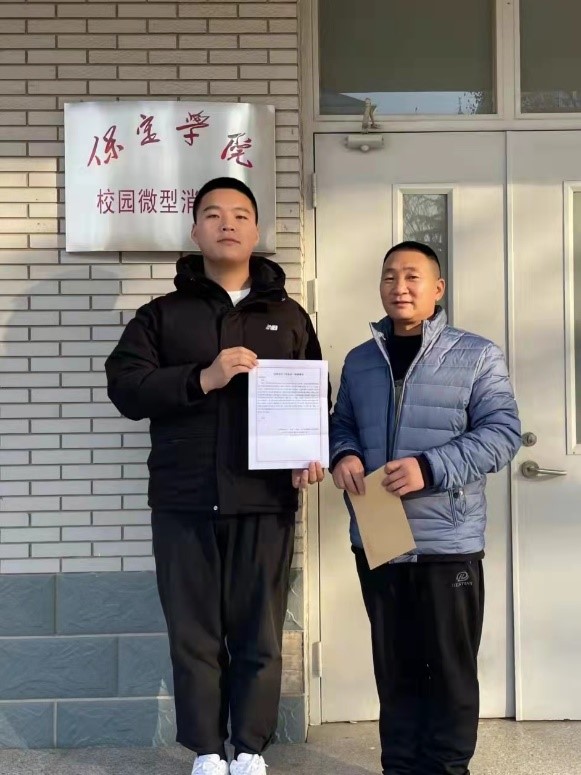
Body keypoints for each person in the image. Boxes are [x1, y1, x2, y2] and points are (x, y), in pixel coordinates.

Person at [106, 177, 324, 775]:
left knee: (260, 631)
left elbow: (314, 393)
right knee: (194, 631)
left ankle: (249, 749)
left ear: (257, 231)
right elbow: (125, 388)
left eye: (240, 214)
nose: (227, 223)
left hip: (265, 499)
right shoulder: (161, 315)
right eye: (213, 214)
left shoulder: (288, 316)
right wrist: (203, 378)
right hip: (184, 499)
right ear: (195, 230)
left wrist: (310, 450)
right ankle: (206, 750)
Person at [330, 240, 521, 775]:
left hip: (447, 543)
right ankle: (399, 766)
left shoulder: (476, 355)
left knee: (450, 673)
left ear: (438, 289)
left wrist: (430, 467)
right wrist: (343, 454)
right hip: (379, 537)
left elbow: (503, 434)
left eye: (413, 277)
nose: (400, 287)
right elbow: (342, 423)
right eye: (390, 276)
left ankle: (448, 768)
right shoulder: (361, 360)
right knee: (394, 670)